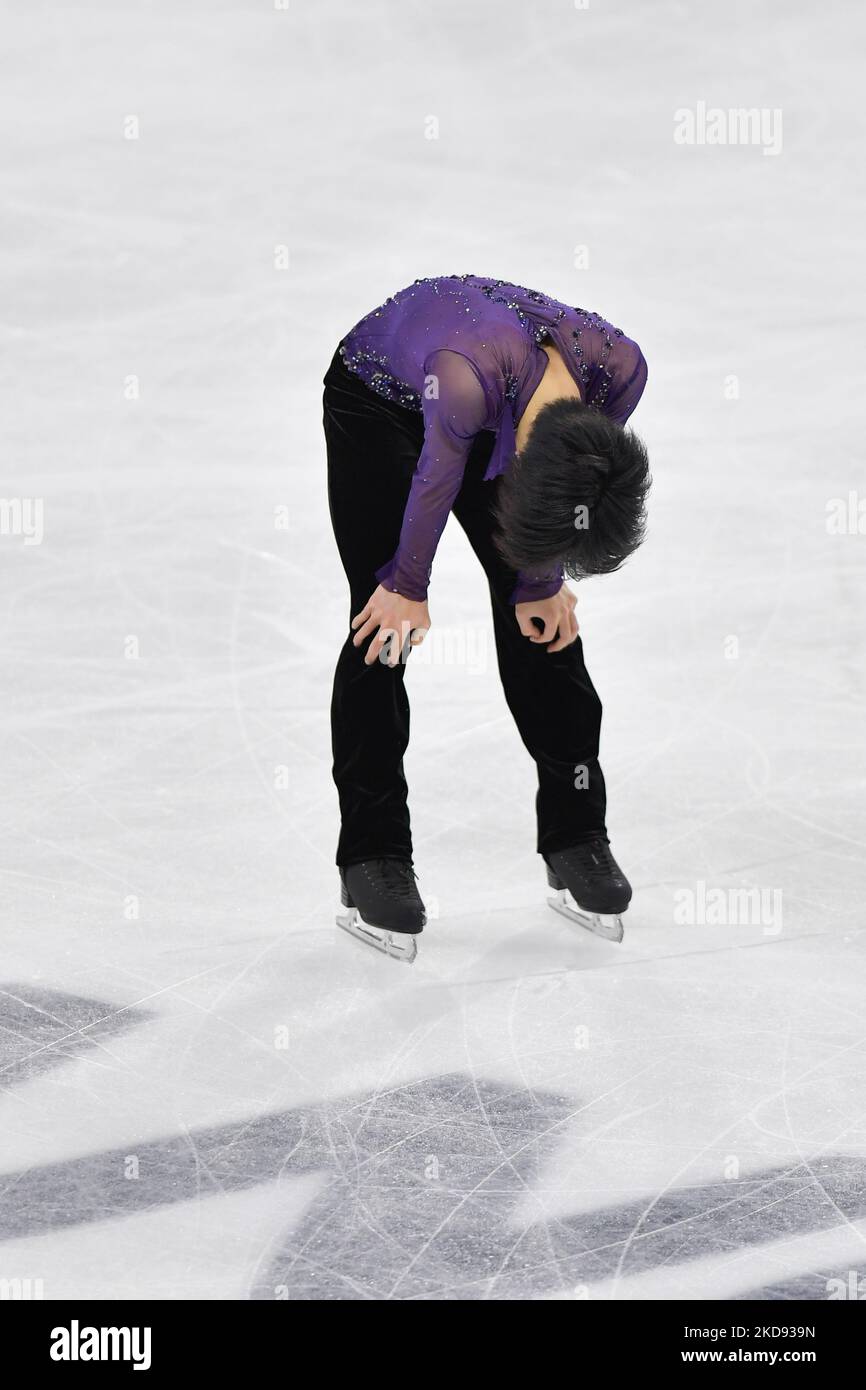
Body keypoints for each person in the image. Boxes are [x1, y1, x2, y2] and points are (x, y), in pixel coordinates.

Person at [322, 274, 650, 961]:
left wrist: (542, 582)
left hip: (506, 409)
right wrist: (406, 585)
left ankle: (576, 835)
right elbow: (436, 482)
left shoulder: (621, 371)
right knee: (383, 626)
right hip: (381, 404)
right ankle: (372, 852)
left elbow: (571, 503)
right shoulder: (466, 380)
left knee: (545, 622)